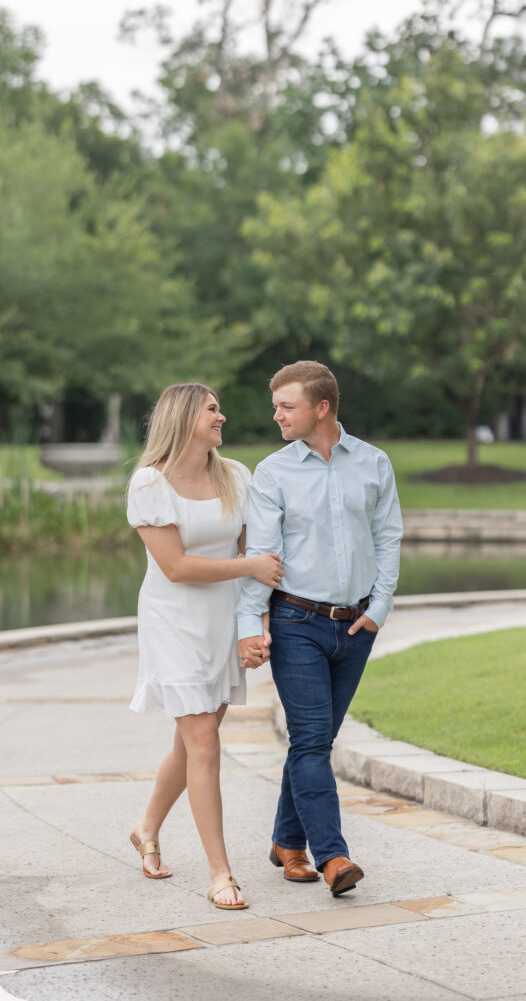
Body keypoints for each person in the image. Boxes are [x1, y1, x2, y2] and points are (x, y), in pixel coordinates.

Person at [237, 361, 402, 897]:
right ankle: (333, 855)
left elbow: (388, 538)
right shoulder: (273, 473)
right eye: (276, 406)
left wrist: (378, 608)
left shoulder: (375, 463)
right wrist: (250, 626)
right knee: (310, 740)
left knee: (316, 740)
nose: (277, 415)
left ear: (322, 407)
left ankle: (287, 842)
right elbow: (262, 555)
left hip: (354, 625)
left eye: (287, 406)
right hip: (295, 622)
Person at [126, 382, 283, 910]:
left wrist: (255, 626)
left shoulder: (236, 475)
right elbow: (176, 567)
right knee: (205, 743)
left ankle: (146, 827)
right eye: (213, 409)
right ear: (184, 417)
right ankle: (221, 874)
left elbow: (255, 555)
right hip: (173, 622)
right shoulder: (150, 483)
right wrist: (250, 567)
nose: (222, 416)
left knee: (195, 738)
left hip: (223, 621)